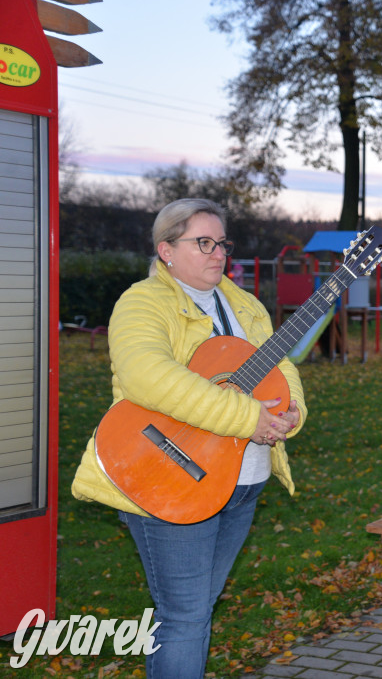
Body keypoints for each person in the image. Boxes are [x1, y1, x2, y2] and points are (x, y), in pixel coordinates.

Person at [71, 199, 307, 678]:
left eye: (222, 242)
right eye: (203, 242)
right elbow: (149, 377)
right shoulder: (143, 301)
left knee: (194, 610)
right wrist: (247, 417)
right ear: (166, 250)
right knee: (185, 616)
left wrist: (291, 411)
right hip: (169, 474)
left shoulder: (245, 305)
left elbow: (281, 365)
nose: (218, 253)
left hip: (242, 483)